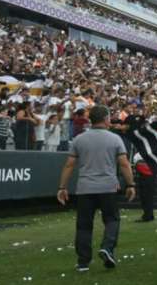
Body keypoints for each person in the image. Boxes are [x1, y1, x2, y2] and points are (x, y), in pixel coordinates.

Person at [57, 105, 136, 272]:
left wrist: (62, 187)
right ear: (106, 119)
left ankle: (83, 262)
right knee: (112, 220)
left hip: (85, 187)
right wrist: (130, 184)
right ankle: (107, 248)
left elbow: (69, 165)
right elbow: (124, 163)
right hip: (108, 187)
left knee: (84, 225)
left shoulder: (79, 139)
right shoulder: (115, 139)